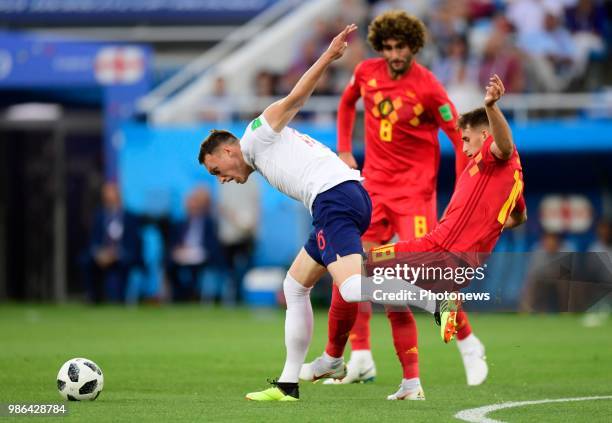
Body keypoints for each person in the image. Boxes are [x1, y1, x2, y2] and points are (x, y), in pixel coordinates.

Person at [300, 11, 486, 401]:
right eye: (388, 47)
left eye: (401, 47)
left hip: (415, 193)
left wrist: (467, 184)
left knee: (423, 276)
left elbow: (457, 136)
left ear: (414, 46)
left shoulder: (430, 87)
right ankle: (362, 356)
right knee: (356, 269)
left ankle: (468, 340)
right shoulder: (367, 72)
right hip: (374, 190)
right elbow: (347, 101)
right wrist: (346, 148)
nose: (394, 53)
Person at [199, 24, 370, 402]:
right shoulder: (260, 155)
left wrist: (328, 55)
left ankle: (432, 299)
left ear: (228, 152)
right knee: (294, 286)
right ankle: (288, 384)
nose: (222, 179)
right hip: (337, 199)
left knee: (354, 288)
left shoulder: (256, 134)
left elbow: (294, 99)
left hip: (335, 197)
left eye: (217, 171)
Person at [365, 74, 527, 341]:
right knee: (371, 270)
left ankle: (341, 356)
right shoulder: (514, 181)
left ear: (485, 135)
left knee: (359, 265)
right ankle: (444, 298)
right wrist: (489, 225)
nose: (463, 148)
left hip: (436, 251)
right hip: (461, 263)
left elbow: (505, 146)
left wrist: (490, 106)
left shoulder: (491, 156)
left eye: (466, 139)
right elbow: (520, 216)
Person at [85, 182, 142, 303]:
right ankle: (93, 298)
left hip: (122, 255)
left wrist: (116, 254)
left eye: (112, 196)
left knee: (126, 263)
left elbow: (134, 244)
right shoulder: (99, 216)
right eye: (106, 197)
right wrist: (99, 254)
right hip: (102, 255)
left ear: (118, 197)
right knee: (86, 261)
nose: (109, 199)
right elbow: (93, 240)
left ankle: (120, 299)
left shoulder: (130, 217)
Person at [166, 187, 221, 302]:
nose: (193, 206)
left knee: (196, 268)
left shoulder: (209, 223)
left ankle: (194, 294)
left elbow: (212, 245)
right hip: (183, 254)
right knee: (169, 262)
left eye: (195, 202)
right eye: (190, 203)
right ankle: (178, 296)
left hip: (202, 254)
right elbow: (174, 242)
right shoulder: (180, 223)